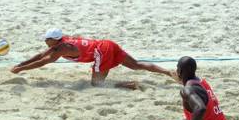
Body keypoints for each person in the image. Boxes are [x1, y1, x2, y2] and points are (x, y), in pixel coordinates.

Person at [11, 28, 177, 89]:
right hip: (107, 43)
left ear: (54, 39)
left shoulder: (61, 49)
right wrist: (20, 64)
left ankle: (128, 85)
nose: (45, 42)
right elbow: (41, 55)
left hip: (101, 50)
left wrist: (21, 69)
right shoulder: (61, 42)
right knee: (136, 64)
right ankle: (168, 73)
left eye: (46, 39)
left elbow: (43, 61)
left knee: (96, 84)